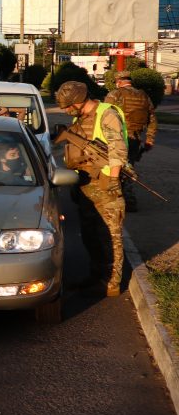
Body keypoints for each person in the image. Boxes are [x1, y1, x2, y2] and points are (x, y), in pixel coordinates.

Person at [56, 80, 128, 297]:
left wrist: (114, 182)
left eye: (68, 106)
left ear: (78, 101)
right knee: (90, 235)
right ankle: (96, 276)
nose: (66, 110)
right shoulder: (81, 118)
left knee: (110, 236)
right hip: (86, 186)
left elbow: (118, 150)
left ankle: (112, 284)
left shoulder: (107, 114)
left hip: (105, 184)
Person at [105, 71, 157, 212]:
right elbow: (152, 119)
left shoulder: (115, 95)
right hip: (135, 139)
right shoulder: (144, 96)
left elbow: (105, 115)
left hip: (118, 137)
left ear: (119, 81)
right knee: (129, 166)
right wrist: (149, 139)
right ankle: (128, 199)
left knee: (116, 167)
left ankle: (123, 198)